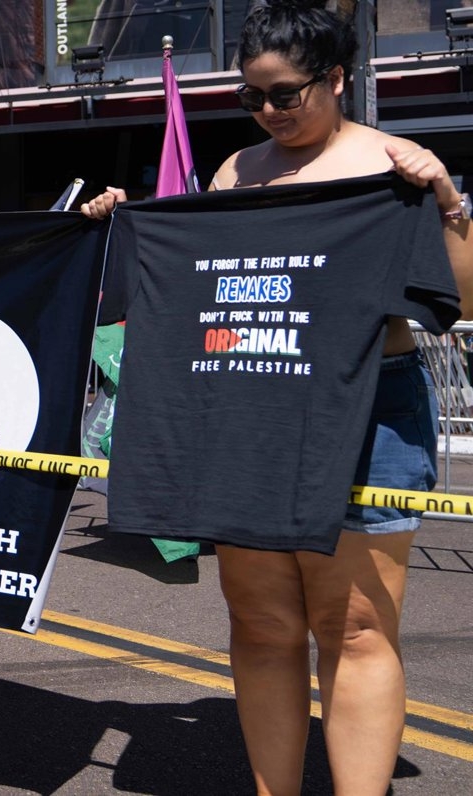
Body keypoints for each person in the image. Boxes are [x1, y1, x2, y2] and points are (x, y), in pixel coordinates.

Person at [80, 3, 473, 794]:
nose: (268, 111)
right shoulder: (235, 172)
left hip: (369, 412)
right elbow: (199, 288)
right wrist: (119, 225)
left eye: (285, 94)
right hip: (249, 405)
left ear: (336, 79)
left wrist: (447, 202)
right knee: (262, 624)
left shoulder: (392, 167)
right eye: (251, 96)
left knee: (354, 627)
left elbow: (458, 303)